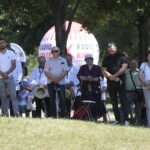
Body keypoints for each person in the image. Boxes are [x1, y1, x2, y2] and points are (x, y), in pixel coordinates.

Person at [102, 42, 129, 125]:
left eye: (113, 50)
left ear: (116, 48)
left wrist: (115, 75)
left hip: (120, 81)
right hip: (111, 82)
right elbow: (103, 70)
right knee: (114, 102)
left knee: (123, 101)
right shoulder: (106, 58)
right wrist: (111, 77)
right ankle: (117, 120)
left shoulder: (122, 56)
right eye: (110, 51)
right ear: (108, 50)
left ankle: (126, 120)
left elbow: (124, 67)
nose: (111, 52)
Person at [77, 53, 106, 120]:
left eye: (90, 59)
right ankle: (85, 117)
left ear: (92, 60)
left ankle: (96, 117)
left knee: (97, 104)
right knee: (84, 103)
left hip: (95, 89)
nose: (89, 60)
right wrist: (86, 78)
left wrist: (93, 79)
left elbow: (101, 78)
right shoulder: (83, 67)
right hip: (85, 89)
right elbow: (79, 76)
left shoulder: (97, 68)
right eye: (87, 59)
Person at [44, 46, 68, 118]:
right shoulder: (48, 61)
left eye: (56, 51)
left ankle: (63, 115)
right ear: (51, 53)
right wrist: (54, 79)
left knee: (62, 99)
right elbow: (46, 72)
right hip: (51, 82)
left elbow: (65, 71)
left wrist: (58, 79)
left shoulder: (63, 60)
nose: (55, 52)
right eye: (53, 51)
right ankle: (53, 115)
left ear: (59, 52)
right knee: (52, 99)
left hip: (61, 83)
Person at [0, 38, 20, 117]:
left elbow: (14, 65)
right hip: (0, 78)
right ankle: (5, 113)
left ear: (5, 43)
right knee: (2, 96)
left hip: (9, 77)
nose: (1, 44)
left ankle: (16, 113)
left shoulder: (11, 53)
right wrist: (2, 73)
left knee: (13, 96)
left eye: (3, 42)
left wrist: (7, 73)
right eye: (0, 43)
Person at [125, 59, 142, 125]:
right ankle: (125, 120)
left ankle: (137, 122)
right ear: (129, 64)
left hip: (138, 93)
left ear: (137, 65)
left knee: (138, 108)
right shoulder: (126, 72)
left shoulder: (141, 72)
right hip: (128, 92)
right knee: (125, 106)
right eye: (132, 63)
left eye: (135, 63)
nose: (133, 65)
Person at [139, 51, 150, 127]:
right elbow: (140, 75)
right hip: (146, 87)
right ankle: (149, 123)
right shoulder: (144, 64)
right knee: (148, 106)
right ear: (147, 57)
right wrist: (145, 83)